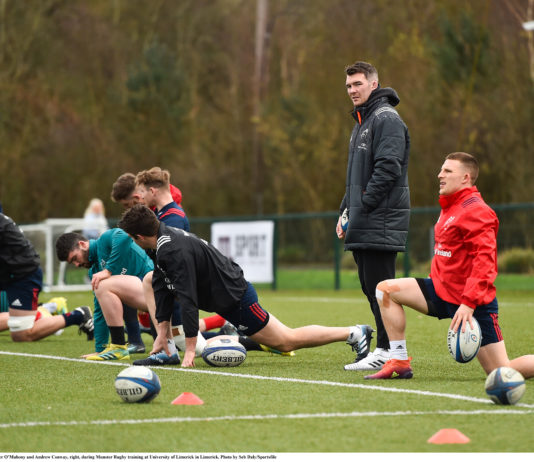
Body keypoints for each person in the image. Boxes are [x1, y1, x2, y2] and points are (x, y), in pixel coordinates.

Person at [118, 204, 373, 368]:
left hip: (236, 299)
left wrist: (191, 352)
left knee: (286, 341)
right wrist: (161, 334)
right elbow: (162, 287)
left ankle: (354, 332)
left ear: (139, 237)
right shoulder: (160, 242)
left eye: (132, 239)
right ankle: (170, 347)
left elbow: (188, 300)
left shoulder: (170, 249)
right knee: (152, 280)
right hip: (225, 295)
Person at [366, 152, 534, 380]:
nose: (439, 175)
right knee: (385, 290)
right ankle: (399, 360)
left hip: (473, 304)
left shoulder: (476, 210)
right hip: (441, 292)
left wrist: (468, 303)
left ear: (465, 178)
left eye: (447, 171)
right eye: (441, 169)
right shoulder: (451, 206)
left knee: (500, 372)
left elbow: (485, 262)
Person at [337, 61, 410, 372]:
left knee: (382, 288)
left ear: (374, 84)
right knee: (371, 286)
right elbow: (355, 178)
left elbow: (389, 168)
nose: (353, 90)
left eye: (358, 84)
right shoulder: (361, 122)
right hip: (364, 218)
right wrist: (344, 211)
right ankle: (383, 349)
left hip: (380, 219)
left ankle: (389, 350)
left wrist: (362, 206)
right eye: (349, 86)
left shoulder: (386, 119)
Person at [56, 229, 154, 360]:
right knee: (108, 288)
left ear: (83, 244)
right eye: (72, 263)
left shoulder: (104, 240)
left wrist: (108, 270)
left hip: (160, 293)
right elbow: (100, 311)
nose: (77, 264)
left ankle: (122, 345)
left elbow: (124, 236)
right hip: (149, 303)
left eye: (75, 258)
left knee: (105, 284)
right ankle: (131, 343)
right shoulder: (95, 271)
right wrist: (100, 350)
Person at [0, 212, 94, 342]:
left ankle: (77, 315)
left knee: (21, 335)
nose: (77, 265)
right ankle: (40, 311)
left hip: (20, 272)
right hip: (9, 270)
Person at [111, 172, 183, 210]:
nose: (127, 209)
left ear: (135, 194)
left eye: (126, 204)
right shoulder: (149, 208)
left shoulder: (168, 209)